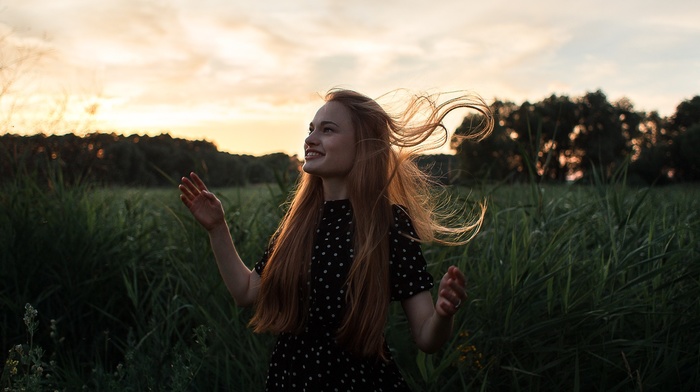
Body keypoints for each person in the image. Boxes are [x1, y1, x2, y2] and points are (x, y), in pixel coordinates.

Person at [179, 88, 493, 391]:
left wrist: (443, 314)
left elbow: (427, 338)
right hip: (290, 380)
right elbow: (247, 291)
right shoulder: (299, 224)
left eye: (327, 130)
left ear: (363, 146)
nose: (310, 139)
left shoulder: (388, 224)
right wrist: (217, 228)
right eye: (311, 129)